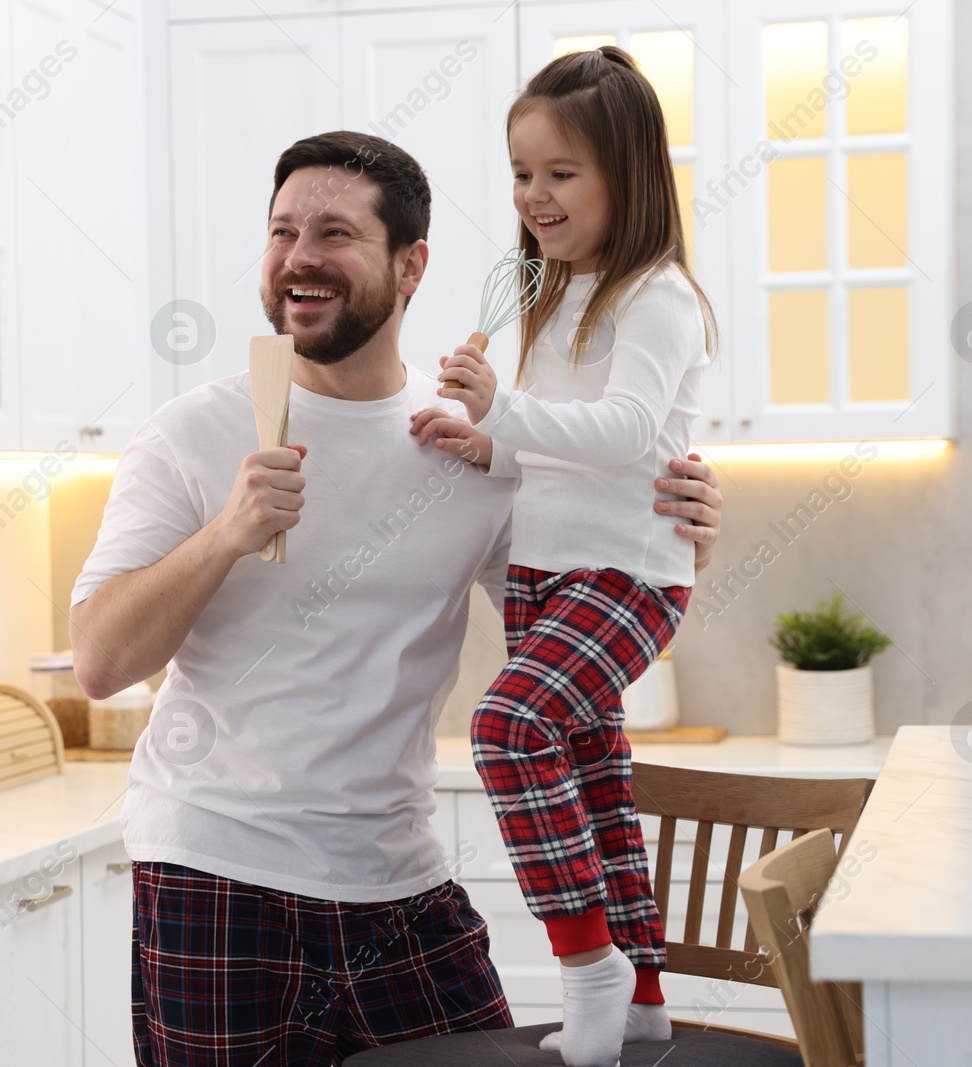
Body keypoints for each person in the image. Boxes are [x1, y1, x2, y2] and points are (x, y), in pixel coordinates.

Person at [69, 129, 724, 1067]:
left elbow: (577, 613)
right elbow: (100, 660)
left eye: (334, 233)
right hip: (216, 872)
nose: (300, 258)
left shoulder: (468, 446)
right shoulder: (190, 434)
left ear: (411, 264)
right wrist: (227, 532)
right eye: (283, 231)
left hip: (401, 881)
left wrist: (675, 521)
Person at [408, 46, 717, 1067]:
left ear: (626, 176)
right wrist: (489, 443)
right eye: (521, 173)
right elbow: (563, 449)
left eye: (561, 172)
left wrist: (504, 404)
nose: (535, 195)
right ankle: (641, 997)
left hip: (627, 574)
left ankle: (585, 967)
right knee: (590, 771)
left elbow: (627, 432)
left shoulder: (656, 295)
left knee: (505, 728)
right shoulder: (553, 291)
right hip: (546, 569)